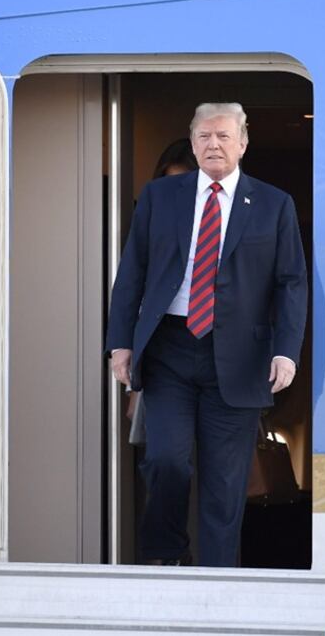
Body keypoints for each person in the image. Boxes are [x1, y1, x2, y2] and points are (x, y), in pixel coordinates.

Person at [106, 102, 308, 567]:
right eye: (204, 136)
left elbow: (290, 284)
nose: (213, 144)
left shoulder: (274, 204)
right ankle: (166, 557)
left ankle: (220, 584)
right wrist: (121, 342)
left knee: (225, 484)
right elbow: (132, 272)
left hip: (240, 358)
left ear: (243, 142)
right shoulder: (161, 196)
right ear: (193, 142)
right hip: (170, 350)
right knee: (166, 462)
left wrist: (286, 351)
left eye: (223, 136)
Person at [128, 138, 200, 446]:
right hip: (164, 355)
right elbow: (135, 296)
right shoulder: (153, 230)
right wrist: (134, 385)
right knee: (166, 459)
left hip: (221, 358)